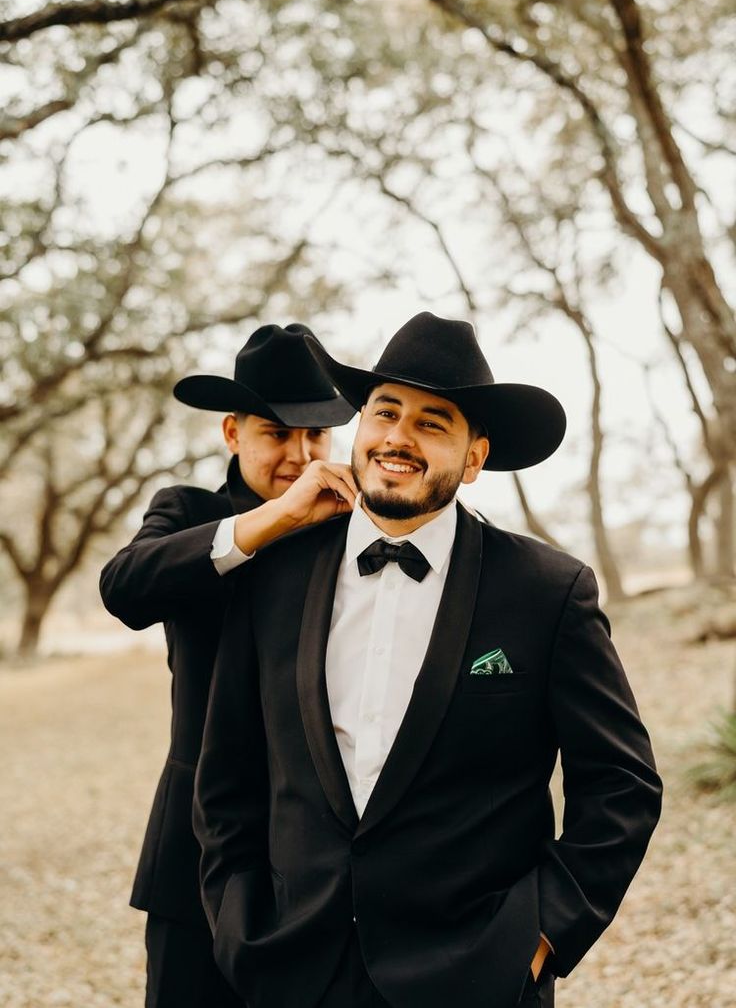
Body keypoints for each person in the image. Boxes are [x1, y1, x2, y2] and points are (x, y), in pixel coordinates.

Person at [193, 312, 663, 1008]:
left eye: (432, 422)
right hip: (294, 969)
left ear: (473, 458)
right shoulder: (274, 575)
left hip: (474, 975)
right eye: (386, 411)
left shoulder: (546, 590)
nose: (398, 437)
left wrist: (540, 936)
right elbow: (226, 776)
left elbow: (622, 784)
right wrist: (240, 925)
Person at [99, 322, 355, 1008]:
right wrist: (274, 518)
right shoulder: (188, 511)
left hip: (320, 852)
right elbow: (123, 588)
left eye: (317, 437)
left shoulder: (352, 527)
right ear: (231, 431)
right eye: (278, 434)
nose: (301, 456)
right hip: (192, 851)